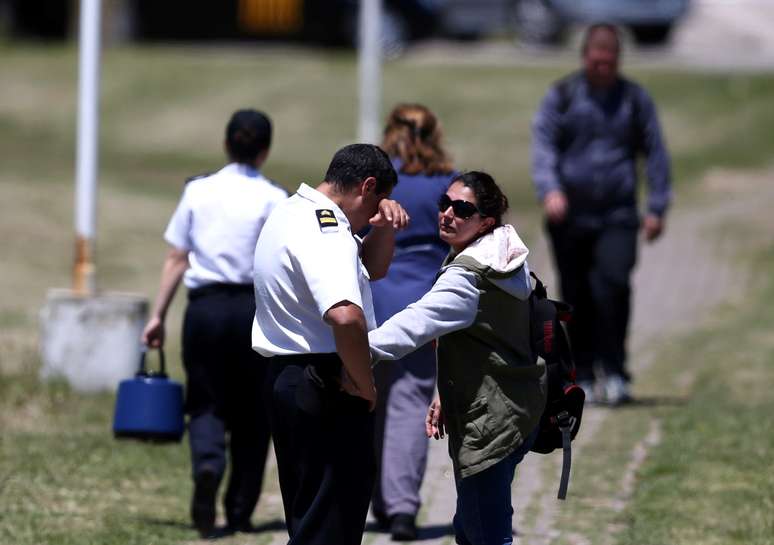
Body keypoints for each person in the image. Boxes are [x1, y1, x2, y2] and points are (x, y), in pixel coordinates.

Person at [369, 171, 546, 545]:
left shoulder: (468, 277)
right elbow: (487, 342)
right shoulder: (506, 253)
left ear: (486, 221)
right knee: (471, 528)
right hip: (518, 405)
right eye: (444, 204)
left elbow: (414, 324)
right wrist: (443, 393)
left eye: (462, 209)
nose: (448, 214)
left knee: (485, 534)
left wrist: (351, 351)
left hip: (490, 421)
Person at [251, 143, 409, 545]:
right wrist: (364, 383)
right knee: (332, 525)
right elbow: (345, 315)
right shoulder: (327, 229)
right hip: (326, 381)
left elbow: (370, 270)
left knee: (311, 521)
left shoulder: (292, 212)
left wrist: (383, 228)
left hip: (291, 378)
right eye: (377, 201)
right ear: (367, 186)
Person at [141, 109, 287, 537]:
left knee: (205, 399)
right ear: (265, 151)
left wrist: (158, 315)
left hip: (203, 309)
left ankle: (207, 462)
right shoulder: (274, 199)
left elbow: (176, 257)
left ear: (226, 144)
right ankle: (239, 509)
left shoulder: (198, 190)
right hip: (251, 311)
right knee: (252, 412)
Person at [531, 23, 672, 405]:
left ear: (617, 61)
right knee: (575, 297)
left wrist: (657, 205)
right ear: (585, 58)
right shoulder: (563, 96)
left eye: (609, 64)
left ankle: (616, 369)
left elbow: (655, 153)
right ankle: (584, 371)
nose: (602, 70)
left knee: (612, 287)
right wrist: (551, 189)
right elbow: (543, 145)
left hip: (617, 214)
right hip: (571, 216)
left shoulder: (633, 100)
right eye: (596, 62)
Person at [370, 103, 457, 541]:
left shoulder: (380, 184)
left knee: (369, 402)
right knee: (410, 404)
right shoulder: (449, 183)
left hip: (375, 299)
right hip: (426, 303)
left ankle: (377, 502)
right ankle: (402, 506)